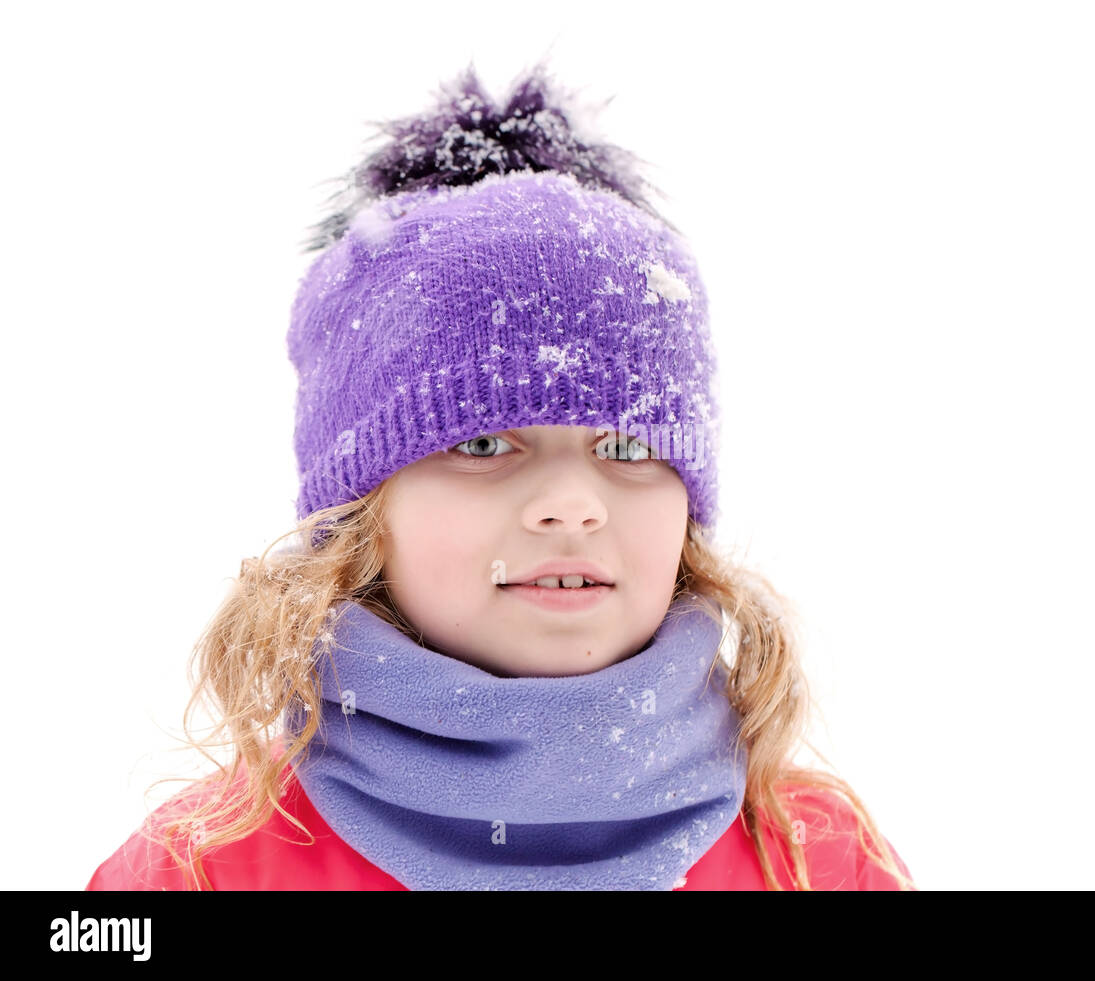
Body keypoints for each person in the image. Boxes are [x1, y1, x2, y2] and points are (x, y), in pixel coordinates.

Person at [86, 59, 915, 891]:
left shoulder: (817, 863)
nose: (571, 505)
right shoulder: (199, 872)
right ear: (358, 513)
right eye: (483, 445)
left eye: (627, 448)